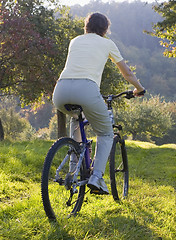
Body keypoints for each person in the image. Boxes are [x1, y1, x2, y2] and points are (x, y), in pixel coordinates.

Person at [52, 12, 145, 194]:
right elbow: (127, 74)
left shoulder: (75, 41)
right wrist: (139, 89)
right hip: (87, 89)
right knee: (105, 133)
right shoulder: (107, 43)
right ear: (105, 29)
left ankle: (74, 169)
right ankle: (97, 178)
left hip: (60, 90)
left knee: (75, 119)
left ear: (86, 26)